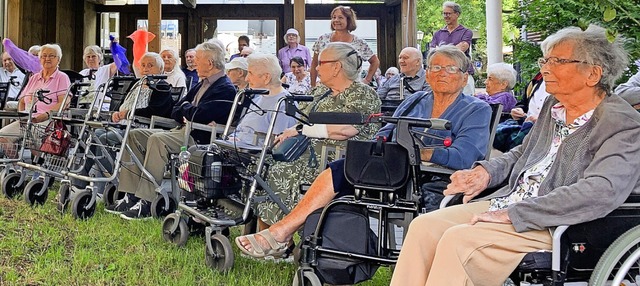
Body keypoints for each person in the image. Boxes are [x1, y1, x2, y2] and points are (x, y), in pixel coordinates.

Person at [389, 24, 640, 286]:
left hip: (556, 223)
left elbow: (600, 191)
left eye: (558, 61)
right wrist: (485, 173)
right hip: (510, 202)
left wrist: (516, 212)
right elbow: (524, 152)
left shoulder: (622, 123)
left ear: (593, 73)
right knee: (424, 227)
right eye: (546, 59)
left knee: (459, 240)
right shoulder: (555, 106)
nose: (545, 67)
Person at [235, 44, 491, 259]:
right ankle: (283, 235)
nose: (441, 73)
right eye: (435, 67)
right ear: (427, 74)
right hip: (393, 167)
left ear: (465, 77)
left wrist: (421, 152)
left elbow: (465, 156)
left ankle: (280, 234)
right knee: (343, 168)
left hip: (431, 176)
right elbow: (385, 129)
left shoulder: (476, 109)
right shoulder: (416, 100)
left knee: (340, 167)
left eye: (450, 69)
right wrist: (380, 145)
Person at [252, 42, 381, 236]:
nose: (316, 67)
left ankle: (279, 235)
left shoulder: (362, 93)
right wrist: (292, 130)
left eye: (321, 63)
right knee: (259, 163)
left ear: (337, 66)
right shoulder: (320, 91)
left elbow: (346, 130)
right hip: (309, 152)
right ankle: (272, 236)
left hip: (338, 161)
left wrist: (303, 130)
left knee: (279, 170)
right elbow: (300, 119)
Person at [108, 41, 236, 220]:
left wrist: (187, 109)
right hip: (181, 130)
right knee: (135, 135)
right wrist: (186, 109)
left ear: (210, 63)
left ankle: (147, 201)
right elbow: (176, 109)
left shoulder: (225, 88)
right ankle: (131, 195)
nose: (193, 63)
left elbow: (198, 114)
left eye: (197, 59)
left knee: (158, 140)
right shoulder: (202, 84)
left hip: (199, 138)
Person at [72, 52, 173, 189]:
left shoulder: (161, 87)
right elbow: (123, 105)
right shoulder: (137, 83)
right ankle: (78, 183)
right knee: (91, 135)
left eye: (150, 65)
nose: (146, 68)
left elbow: (155, 111)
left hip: (141, 127)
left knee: (104, 138)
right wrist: (117, 114)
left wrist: (128, 113)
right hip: (123, 124)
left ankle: (113, 181)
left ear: (160, 69)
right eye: (143, 65)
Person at [0, 44, 71, 157]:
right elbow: (22, 101)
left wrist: (45, 115)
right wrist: (22, 116)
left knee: (31, 138)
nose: (47, 58)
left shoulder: (62, 77)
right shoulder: (34, 78)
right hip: (28, 119)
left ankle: (40, 167)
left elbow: (64, 102)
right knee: (2, 136)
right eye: (43, 56)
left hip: (48, 120)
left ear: (59, 59)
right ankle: (17, 167)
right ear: (39, 59)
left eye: (51, 56)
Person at [228, 54, 297, 145]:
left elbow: (278, 144)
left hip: (252, 154)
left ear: (266, 77)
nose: (246, 78)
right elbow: (241, 128)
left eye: (250, 73)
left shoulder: (284, 104)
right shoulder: (258, 98)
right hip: (234, 147)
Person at [310, 6, 380, 87]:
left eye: (340, 17)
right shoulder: (322, 39)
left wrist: (367, 80)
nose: (336, 20)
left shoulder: (359, 43)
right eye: (334, 17)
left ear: (349, 20)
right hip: (326, 87)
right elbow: (314, 63)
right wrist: (313, 86)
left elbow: (375, 61)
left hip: (351, 87)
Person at [493, 71, 550, 152]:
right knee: (493, 134)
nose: (545, 66)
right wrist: (518, 109)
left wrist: (544, 119)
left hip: (545, 131)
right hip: (526, 125)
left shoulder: (566, 86)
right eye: (543, 61)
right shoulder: (537, 79)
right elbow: (524, 103)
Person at [428, 1, 475, 96]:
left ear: (457, 14)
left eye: (448, 13)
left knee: (466, 102)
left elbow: (462, 48)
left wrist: (440, 50)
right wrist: (452, 50)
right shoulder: (438, 33)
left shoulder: (466, 32)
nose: (446, 16)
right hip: (442, 74)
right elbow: (432, 52)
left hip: (462, 72)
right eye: (444, 13)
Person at [78, 45, 117, 110]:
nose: (90, 59)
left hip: (101, 108)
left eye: (93, 56)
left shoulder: (105, 70)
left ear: (99, 58)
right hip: (84, 108)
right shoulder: (82, 73)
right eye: (88, 57)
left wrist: (115, 49)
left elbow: (118, 63)